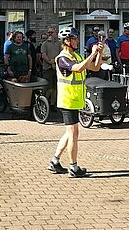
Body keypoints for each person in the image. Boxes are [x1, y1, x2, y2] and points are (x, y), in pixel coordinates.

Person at [48, 27, 102, 178]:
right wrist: (92, 54)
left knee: (69, 133)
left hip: (75, 100)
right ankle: (73, 167)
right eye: (75, 38)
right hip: (67, 100)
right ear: (67, 41)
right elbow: (77, 69)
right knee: (73, 134)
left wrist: (98, 53)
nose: (77, 41)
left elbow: (95, 67)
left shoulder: (76, 56)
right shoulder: (62, 58)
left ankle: (55, 161)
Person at [40, 27, 61, 94]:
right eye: (49, 32)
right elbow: (43, 55)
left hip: (57, 68)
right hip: (47, 69)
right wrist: (51, 63)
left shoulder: (59, 43)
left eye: (51, 32)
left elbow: (61, 54)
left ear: (56, 33)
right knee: (48, 88)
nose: (50, 34)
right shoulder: (45, 44)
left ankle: (53, 101)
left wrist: (55, 62)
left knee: (56, 88)